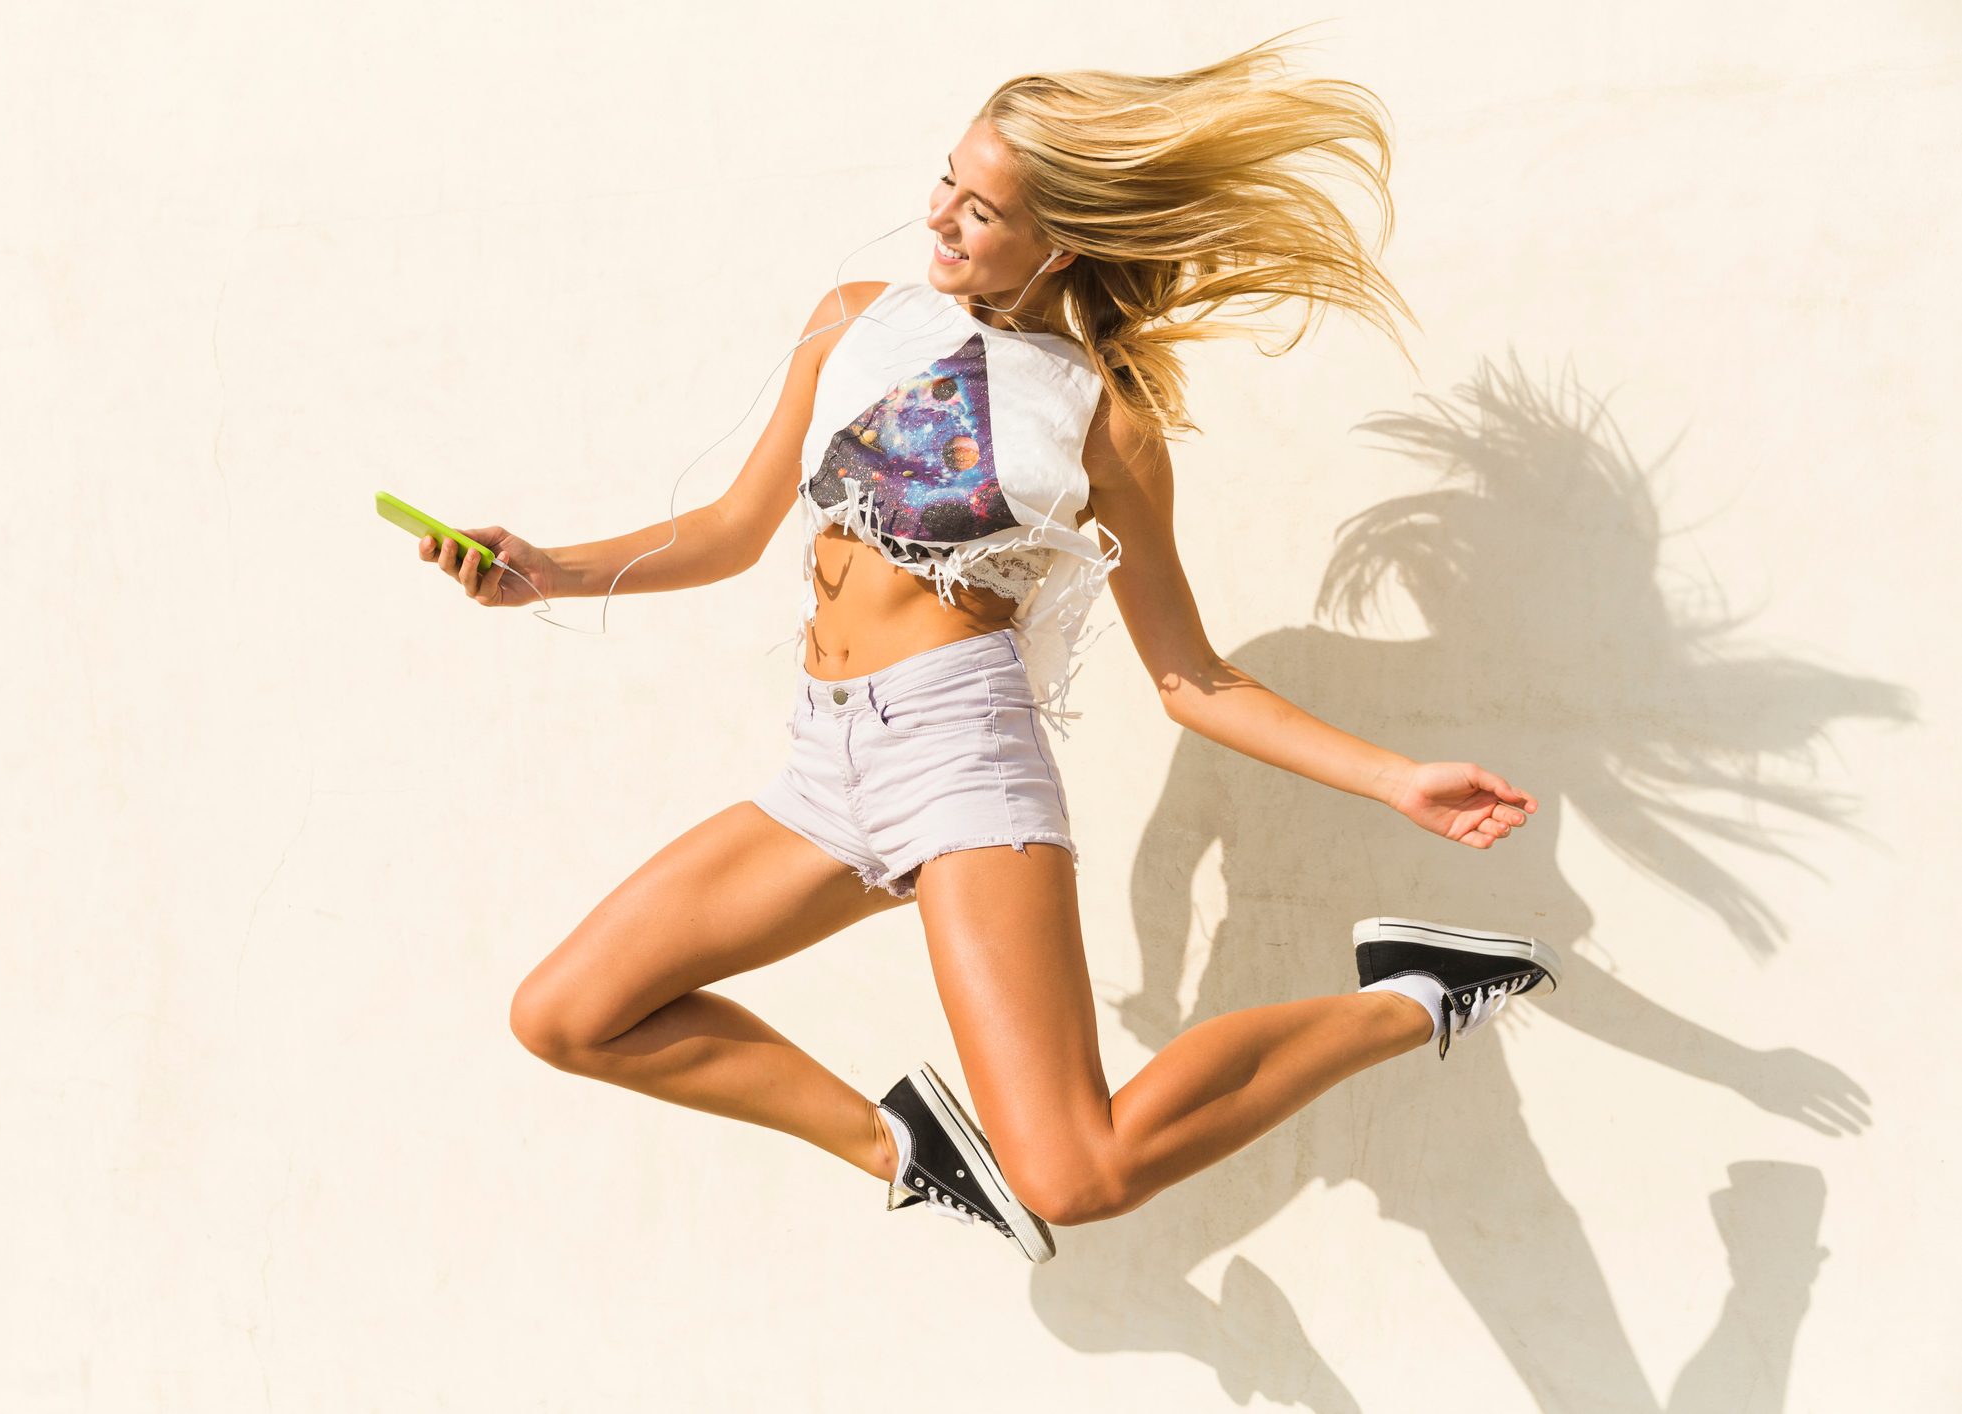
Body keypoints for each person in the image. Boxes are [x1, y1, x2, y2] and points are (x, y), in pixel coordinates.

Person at [422, 35, 1561, 1264]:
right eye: (946, 181)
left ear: (1059, 242)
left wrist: (1396, 779)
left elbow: (1192, 680)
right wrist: (546, 569)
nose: (940, 216)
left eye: (981, 208)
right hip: (826, 765)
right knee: (568, 1013)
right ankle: (903, 1146)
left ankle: (1409, 993)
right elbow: (730, 529)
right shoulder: (853, 321)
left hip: (960, 757)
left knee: (1077, 1173)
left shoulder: (1103, 419)